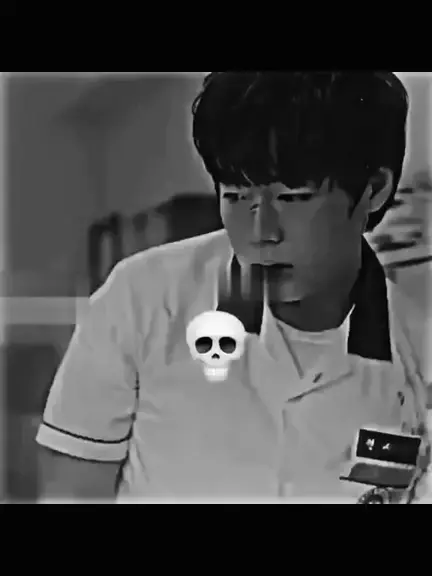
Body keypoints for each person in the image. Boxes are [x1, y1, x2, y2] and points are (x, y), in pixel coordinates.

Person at [36, 72, 431, 502]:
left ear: (374, 190)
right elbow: (71, 491)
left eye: (293, 198)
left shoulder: (419, 349)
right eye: (236, 196)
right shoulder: (143, 300)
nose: (262, 232)